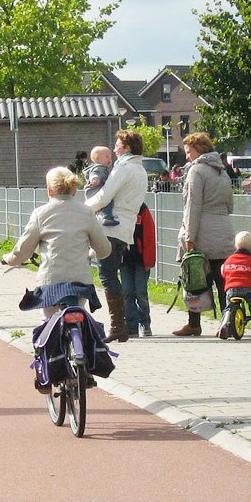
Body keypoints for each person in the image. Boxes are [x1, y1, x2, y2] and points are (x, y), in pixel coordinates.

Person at [3, 167, 112, 322]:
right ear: (74, 191)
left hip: (51, 282)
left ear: (49, 191)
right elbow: (104, 250)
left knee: (48, 324)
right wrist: (91, 253)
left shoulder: (40, 214)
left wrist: (8, 258)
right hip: (80, 283)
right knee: (80, 316)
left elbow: (22, 252)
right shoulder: (87, 212)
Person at [85, 129, 148, 343]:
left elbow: (104, 196)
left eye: (118, 145)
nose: (114, 149)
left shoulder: (123, 168)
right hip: (125, 230)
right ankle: (120, 325)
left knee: (108, 276)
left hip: (111, 228)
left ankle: (118, 327)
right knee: (112, 274)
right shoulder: (140, 169)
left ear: (127, 148)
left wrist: (81, 209)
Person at [173, 132, 235, 336]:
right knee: (223, 281)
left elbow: (193, 205)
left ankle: (194, 323)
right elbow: (230, 205)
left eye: (189, 151)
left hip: (202, 232)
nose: (187, 156)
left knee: (196, 279)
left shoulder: (196, 171)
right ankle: (228, 321)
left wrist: (189, 237)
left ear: (199, 149)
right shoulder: (222, 171)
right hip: (224, 230)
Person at [221, 231, 251, 338]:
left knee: (228, 307)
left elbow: (223, 271)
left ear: (235, 246)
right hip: (249, 289)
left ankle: (225, 325)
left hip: (231, 289)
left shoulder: (229, 260)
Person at [122, 203, 156, 337]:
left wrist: (149, 260)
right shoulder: (120, 208)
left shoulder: (142, 210)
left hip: (141, 261)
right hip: (124, 260)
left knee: (141, 293)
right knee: (127, 293)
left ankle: (145, 323)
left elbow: (149, 236)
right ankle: (131, 326)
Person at [83, 146, 119, 226]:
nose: (110, 159)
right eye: (107, 157)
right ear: (97, 159)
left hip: (94, 191)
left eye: (110, 157)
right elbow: (94, 173)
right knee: (108, 201)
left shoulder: (103, 168)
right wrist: (95, 178)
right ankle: (107, 217)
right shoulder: (99, 167)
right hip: (95, 190)